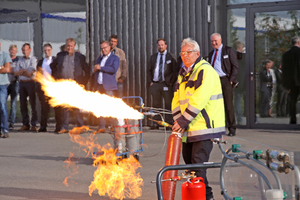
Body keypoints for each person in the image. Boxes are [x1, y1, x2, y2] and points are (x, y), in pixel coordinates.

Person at [172, 38, 225, 200]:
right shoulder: (183, 73)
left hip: (204, 129)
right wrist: (177, 120)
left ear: (197, 54)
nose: (185, 56)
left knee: (197, 170)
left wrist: (182, 121)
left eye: (188, 52)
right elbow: (176, 99)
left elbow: (199, 99)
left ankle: (207, 198)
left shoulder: (205, 71)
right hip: (189, 129)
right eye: (182, 53)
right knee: (191, 170)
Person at [50, 38, 90, 133]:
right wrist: (56, 79)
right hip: (64, 86)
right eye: (68, 46)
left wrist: (83, 83)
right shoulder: (60, 55)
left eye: (71, 46)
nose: (69, 47)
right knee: (65, 107)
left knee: (77, 107)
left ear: (74, 46)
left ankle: (80, 126)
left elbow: (87, 71)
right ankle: (65, 127)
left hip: (76, 86)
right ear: (65, 46)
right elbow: (52, 67)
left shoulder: (80, 57)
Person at [208, 33, 239, 136]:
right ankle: (216, 128)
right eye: (212, 41)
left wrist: (231, 80)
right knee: (215, 105)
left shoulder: (228, 50)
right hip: (214, 82)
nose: (213, 43)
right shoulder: (211, 53)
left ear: (220, 40)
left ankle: (232, 128)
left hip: (225, 80)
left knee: (228, 105)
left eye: (215, 41)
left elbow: (235, 66)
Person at [147, 38, 177, 129]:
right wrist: (151, 82)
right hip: (155, 84)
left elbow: (175, 71)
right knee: (156, 105)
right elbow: (149, 70)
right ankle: (156, 123)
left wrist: (171, 82)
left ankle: (168, 123)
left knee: (168, 104)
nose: (160, 46)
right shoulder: (153, 57)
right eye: (159, 45)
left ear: (166, 45)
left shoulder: (171, 57)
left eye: (162, 45)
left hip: (166, 84)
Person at [93, 40, 119, 133]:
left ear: (109, 47)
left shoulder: (114, 58)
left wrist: (101, 68)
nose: (103, 50)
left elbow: (113, 69)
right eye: (102, 48)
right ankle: (102, 126)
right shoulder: (99, 58)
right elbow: (97, 70)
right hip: (99, 86)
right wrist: (95, 70)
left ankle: (112, 126)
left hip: (108, 87)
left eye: (105, 48)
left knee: (110, 106)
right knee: (100, 107)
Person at [14, 43, 38, 132]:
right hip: (22, 83)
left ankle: (34, 124)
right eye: (23, 50)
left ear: (30, 50)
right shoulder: (20, 59)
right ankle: (25, 124)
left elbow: (30, 73)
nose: (24, 51)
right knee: (23, 105)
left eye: (26, 49)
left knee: (33, 104)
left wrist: (22, 71)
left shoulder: (33, 59)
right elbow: (15, 73)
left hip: (31, 83)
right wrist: (25, 70)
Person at [36, 43, 55, 132]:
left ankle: (58, 126)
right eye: (45, 51)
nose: (47, 52)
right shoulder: (41, 62)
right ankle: (43, 126)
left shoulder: (55, 61)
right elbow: (38, 74)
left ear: (51, 51)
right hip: (43, 87)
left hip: (53, 87)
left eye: (48, 50)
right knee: (44, 108)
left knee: (56, 107)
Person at [282, 36, 300, 124]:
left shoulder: (286, 55)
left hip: (292, 83)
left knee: (293, 101)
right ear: (299, 43)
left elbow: (284, 71)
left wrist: (285, 84)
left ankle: (293, 119)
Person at [0, 42, 12, 138]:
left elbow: (7, 69)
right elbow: (3, 68)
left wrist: (4, 67)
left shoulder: (5, 55)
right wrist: (1, 67)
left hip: (2, 85)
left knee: (2, 106)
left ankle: (5, 129)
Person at [233, 41, 246, 125]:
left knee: (237, 101)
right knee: (247, 101)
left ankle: (239, 119)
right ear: (239, 47)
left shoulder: (233, 56)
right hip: (244, 82)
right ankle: (252, 118)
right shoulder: (244, 57)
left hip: (236, 82)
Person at [7, 44, 19, 130]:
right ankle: (3, 122)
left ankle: (11, 123)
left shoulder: (18, 60)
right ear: (9, 51)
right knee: (2, 103)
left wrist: (8, 70)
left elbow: (17, 71)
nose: (12, 51)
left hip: (15, 83)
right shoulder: (6, 59)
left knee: (13, 104)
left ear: (16, 51)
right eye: (11, 50)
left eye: (14, 50)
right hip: (6, 84)